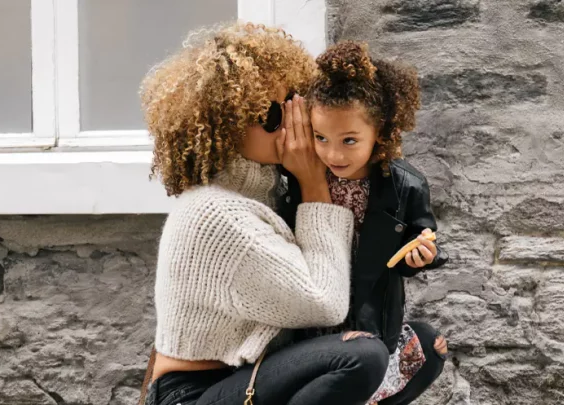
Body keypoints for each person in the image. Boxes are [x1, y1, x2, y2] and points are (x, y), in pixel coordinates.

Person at [138, 23, 389, 405]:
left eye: (295, 103)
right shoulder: (215, 214)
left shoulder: (266, 195)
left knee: (420, 348)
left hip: (247, 380)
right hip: (194, 394)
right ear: (227, 124)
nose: (292, 124)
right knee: (361, 358)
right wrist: (314, 183)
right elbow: (325, 301)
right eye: (273, 115)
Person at [279, 41, 450, 405]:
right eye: (320, 137)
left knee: (411, 358)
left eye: (350, 140)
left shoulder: (406, 185)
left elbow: (421, 236)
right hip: (310, 312)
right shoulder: (298, 175)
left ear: (381, 133)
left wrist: (422, 255)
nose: (333, 153)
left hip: (370, 316)